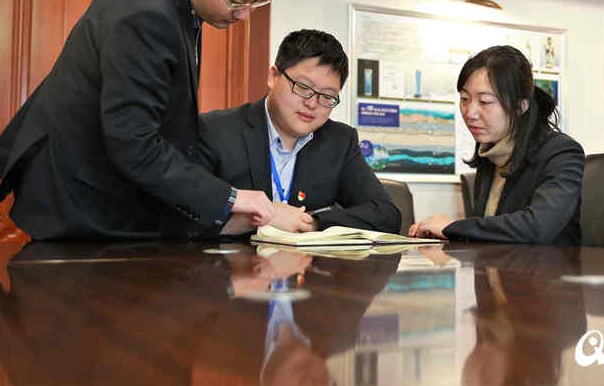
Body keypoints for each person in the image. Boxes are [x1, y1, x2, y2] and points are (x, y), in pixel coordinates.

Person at [0, 0, 281, 240]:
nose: (244, 15)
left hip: (101, 178)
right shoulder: (147, 14)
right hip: (77, 190)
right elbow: (133, 141)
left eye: (257, 1)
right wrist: (228, 198)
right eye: (237, 0)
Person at [197, 29, 401, 236]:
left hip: (305, 257)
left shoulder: (339, 141)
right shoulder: (215, 130)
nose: (312, 103)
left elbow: (386, 215)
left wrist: (310, 224)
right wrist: (256, 220)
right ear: (273, 76)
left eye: (326, 96)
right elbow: (181, 218)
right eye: (303, 87)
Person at [409, 45, 583, 244]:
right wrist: (446, 232)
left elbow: (537, 227)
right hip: (499, 262)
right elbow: (490, 231)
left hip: (548, 264)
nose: (470, 113)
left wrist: (452, 227)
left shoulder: (562, 153)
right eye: (464, 99)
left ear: (520, 106)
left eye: (484, 102)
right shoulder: (490, 151)